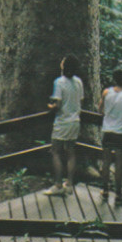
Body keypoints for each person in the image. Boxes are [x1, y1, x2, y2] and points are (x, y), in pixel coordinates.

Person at [44, 55, 84, 196]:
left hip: (62, 121)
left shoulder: (59, 82)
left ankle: (58, 184)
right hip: (75, 121)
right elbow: (80, 100)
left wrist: (50, 106)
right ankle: (70, 184)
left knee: (55, 152)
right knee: (71, 153)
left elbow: (58, 104)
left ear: (63, 66)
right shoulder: (78, 82)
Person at [99, 68, 122, 206]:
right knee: (119, 164)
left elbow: (100, 110)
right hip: (120, 132)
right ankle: (119, 194)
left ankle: (104, 190)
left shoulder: (106, 92)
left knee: (106, 162)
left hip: (107, 131)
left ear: (114, 79)